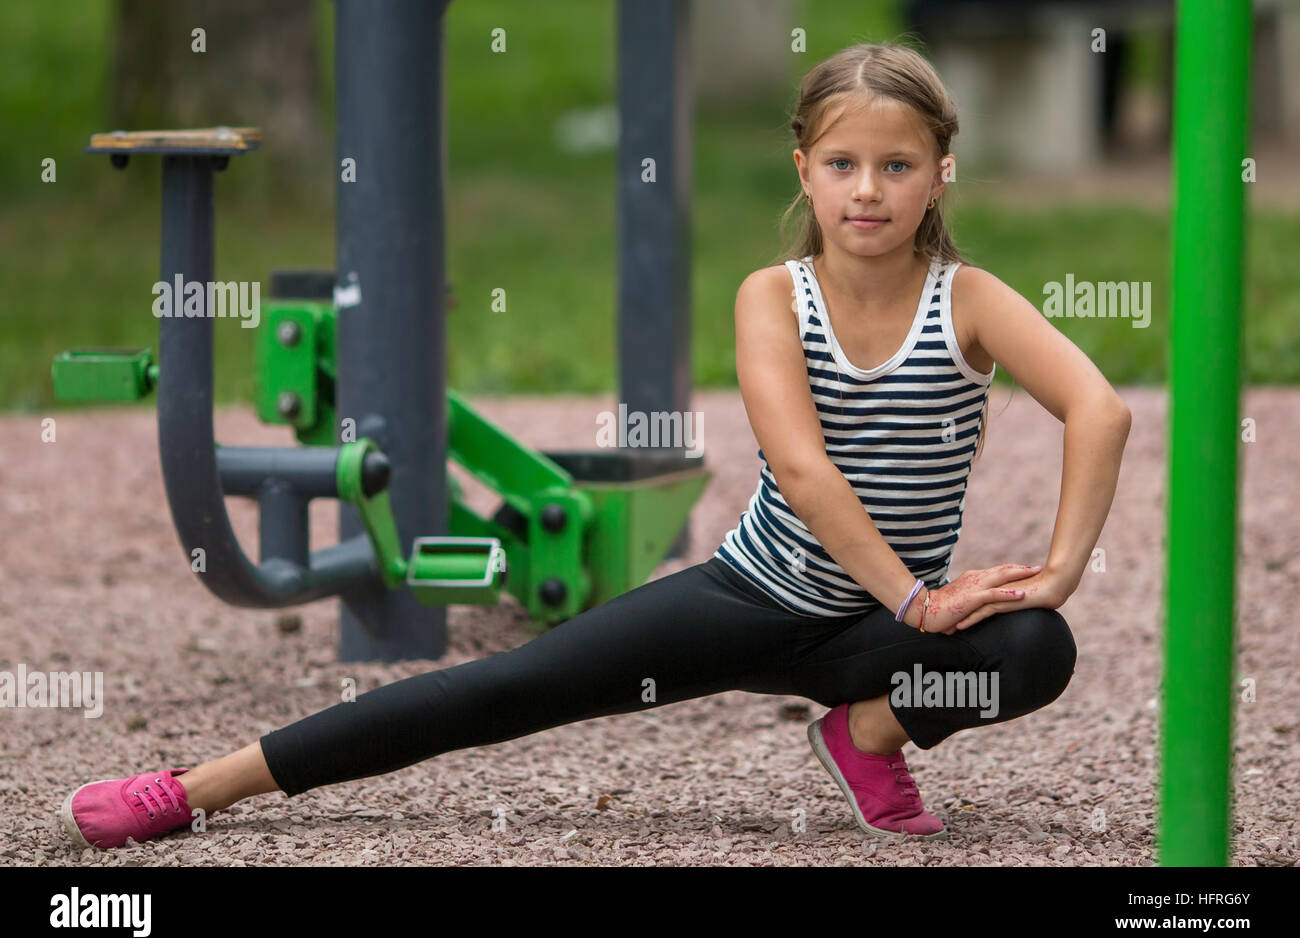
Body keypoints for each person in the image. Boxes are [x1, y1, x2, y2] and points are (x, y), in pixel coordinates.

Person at [59, 41, 1129, 850]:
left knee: (1034, 649)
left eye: (897, 166)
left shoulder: (971, 300)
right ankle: (192, 789)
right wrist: (916, 600)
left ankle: (866, 736)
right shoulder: (773, 298)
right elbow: (800, 471)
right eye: (843, 163)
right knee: (500, 692)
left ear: (942, 173)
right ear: (803, 172)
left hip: (876, 639)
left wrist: (1057, 571)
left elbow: (1098, 409)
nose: (866, 191)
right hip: (748, 600)